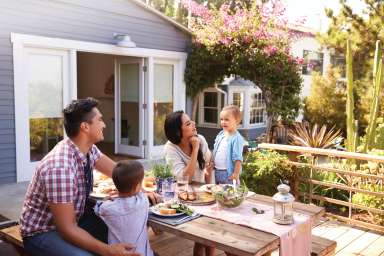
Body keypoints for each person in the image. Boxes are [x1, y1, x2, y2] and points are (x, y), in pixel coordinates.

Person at [20, 98, 158, 256]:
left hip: (77, 220)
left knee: (129, 237)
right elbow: (67, 229)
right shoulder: (60, 167)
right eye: (99, 120)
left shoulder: (88, 149)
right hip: (43, 231)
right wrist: (108, 250)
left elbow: (118, 172)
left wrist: (139, 188)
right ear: (85, 127)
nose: (104, 124)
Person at [163, 110, 215, 256]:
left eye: (191, 121)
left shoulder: (201, 139)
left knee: (208, 232)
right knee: (202, 234)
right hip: (184, 197)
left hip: (203, 194)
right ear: (178, 132)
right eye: (188, 123)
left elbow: (208, 167)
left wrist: (209, 191)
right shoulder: (170, 148)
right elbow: (184, 179)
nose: (193, 124)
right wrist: (195, 149)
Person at [96, 160, 154, 256]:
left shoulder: (108, 208)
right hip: (143, 253)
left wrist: (108, 198)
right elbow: (141, 193)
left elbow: (98, 208)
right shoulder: (143, 201)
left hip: (119, 253)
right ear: (137, 187)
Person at [212, 105, 245, 184]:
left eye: (227, 119)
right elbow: (216, 150)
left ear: (236, 121)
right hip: (217, 171)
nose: (223, 122)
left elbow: (238, 158)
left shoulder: (236, 138)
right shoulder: (221, 134)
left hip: (228, 174)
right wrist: (212, 161)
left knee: (229, 194)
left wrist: (236, 173)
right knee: (218, 193)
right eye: (221, 119)